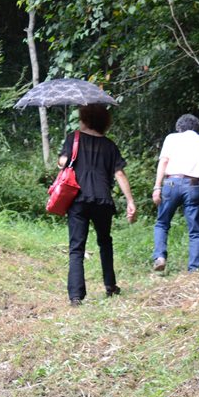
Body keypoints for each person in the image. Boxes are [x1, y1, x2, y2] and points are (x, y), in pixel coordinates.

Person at [58, 104, 137, 305]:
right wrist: (130, 201)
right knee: (105, 242)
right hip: (102, 199)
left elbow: (62, 162)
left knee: (76, 247)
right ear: (104, 120)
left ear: (84, 118)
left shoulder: (73, 138)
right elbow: (119, 173)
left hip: (78, 199)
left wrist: (63, 160)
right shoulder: (110, 145)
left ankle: (75, 296)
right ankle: (110, 285)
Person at [151, 114, 199, 272]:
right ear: (197, 128)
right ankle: (194, 269)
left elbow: (163, 162)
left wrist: (157, 187)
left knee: (162, 223)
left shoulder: (171, 138)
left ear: (179, 128)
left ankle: (160, 257)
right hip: (194, 186)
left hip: (171, 183)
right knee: (196, 231)